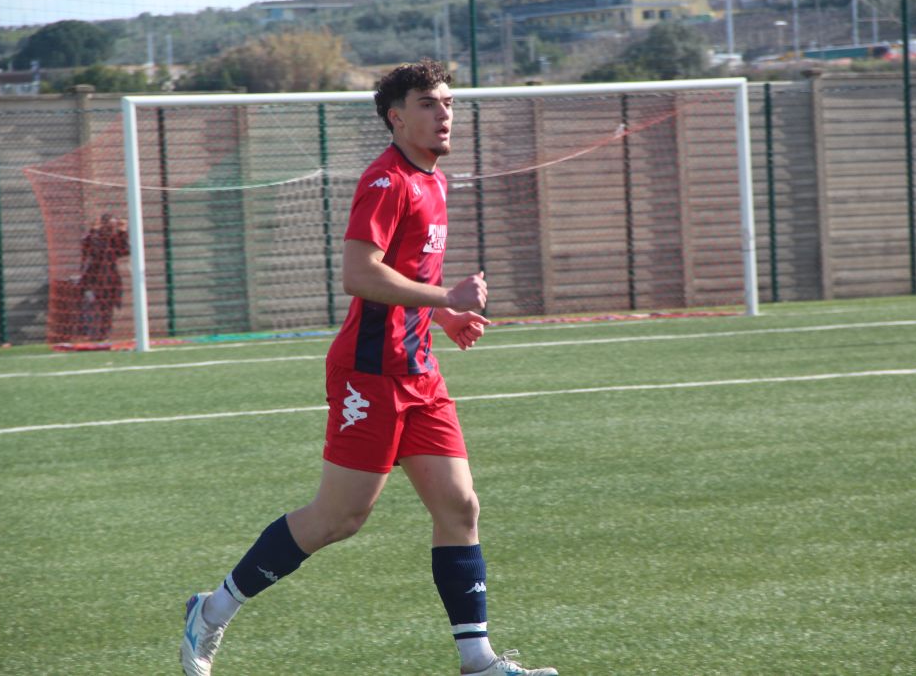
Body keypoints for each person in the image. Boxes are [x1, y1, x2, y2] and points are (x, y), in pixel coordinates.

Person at [180, 60, 558, 676]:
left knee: (459, 506)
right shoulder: (386, 181)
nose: (444, 113)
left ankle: (479, 661)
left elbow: (406, 276)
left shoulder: (434, 180)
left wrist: (442, 316)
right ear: (396, 117)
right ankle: (212, 608)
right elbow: (359, 274)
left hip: (419, 371)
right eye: (429, 103)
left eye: (449, 102)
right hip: (369, 373)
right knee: (339, 518)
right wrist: (447, 297)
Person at [79, 212, 129, 340]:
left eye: (113, 226)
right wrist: (94, 230)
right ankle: (89, 333)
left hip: (110, 279)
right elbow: (91, 249)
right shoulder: (94, 237)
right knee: (92, 306)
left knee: (107, 308)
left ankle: (104, 334)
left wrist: (122, 232)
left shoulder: (114, 239)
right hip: (93, 278)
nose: (111, 229)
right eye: (108, 225)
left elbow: (124, 251)